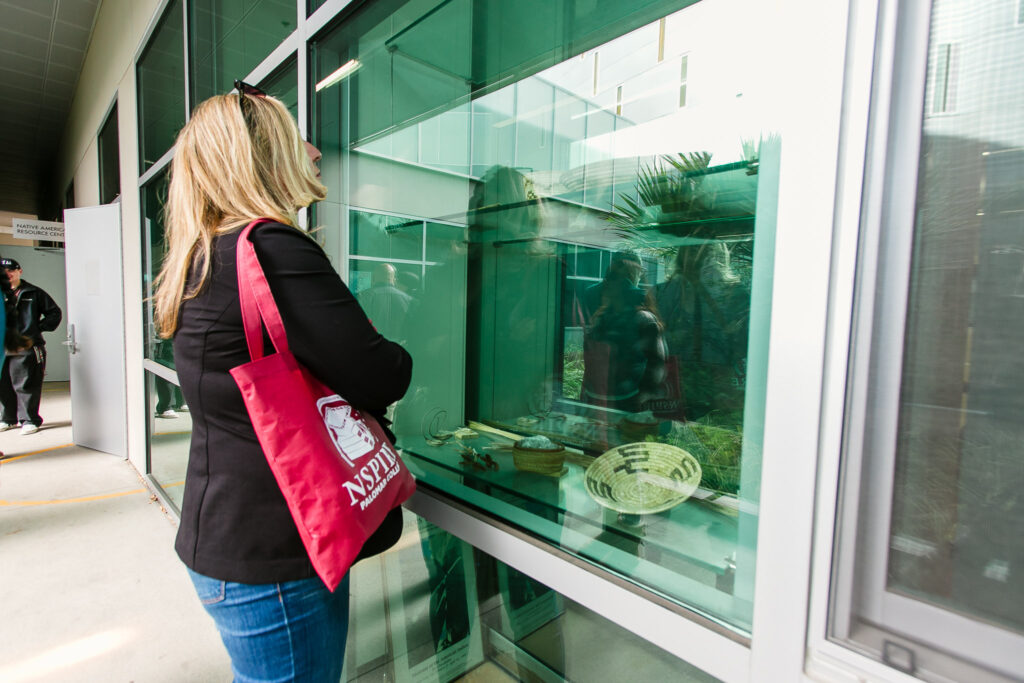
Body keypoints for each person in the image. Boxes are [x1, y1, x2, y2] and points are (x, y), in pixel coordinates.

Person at [153, 82, 412, 681]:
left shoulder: (200, 257)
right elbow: (383, 373)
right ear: (263, 156)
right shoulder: (269, 249)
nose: (315, 152)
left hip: (228, 536)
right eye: (297, 140)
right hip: (275, 555)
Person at [0, 258, 62, 434]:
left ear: (20, 271)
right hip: (3, 347)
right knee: (3, 384)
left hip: (26, 346)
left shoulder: (33, 293)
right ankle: (8, 418)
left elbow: (54, 313)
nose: (7, 274)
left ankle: (29, 420)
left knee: (27, 384)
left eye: (11, 270)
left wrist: (35, 330)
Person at [356, 262, 412, 342]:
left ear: (373, 278)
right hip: (400, 347)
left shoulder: (362, 296)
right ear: (393, 279)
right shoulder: (409, 300)